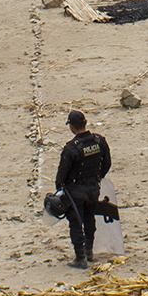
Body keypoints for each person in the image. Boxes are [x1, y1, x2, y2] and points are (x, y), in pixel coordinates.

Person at [55, 110, 111, 269]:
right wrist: (98, 176)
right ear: (85, 122)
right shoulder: (99, 141)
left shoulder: (71, 148)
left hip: (75, 190)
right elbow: (106, 163)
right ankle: (89, 252)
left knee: (75, 222)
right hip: (93, 188)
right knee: (89, 218)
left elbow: (62, 172)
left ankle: (80, 258)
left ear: (71, 127)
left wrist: (60, 188)